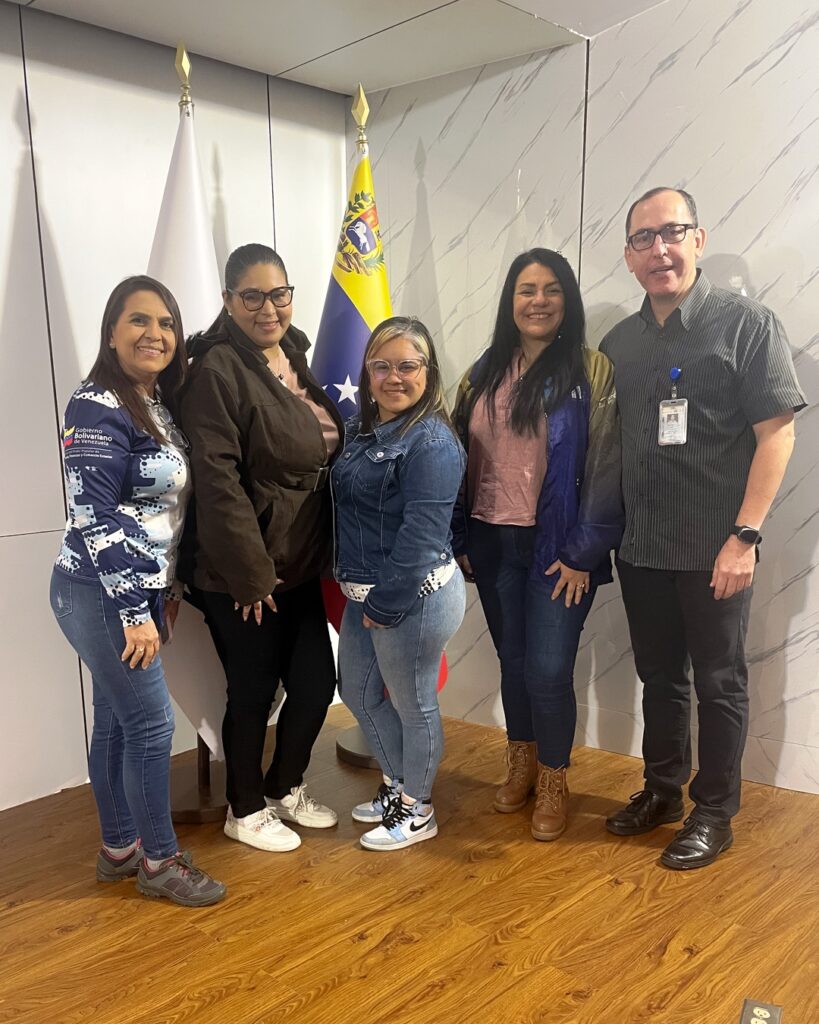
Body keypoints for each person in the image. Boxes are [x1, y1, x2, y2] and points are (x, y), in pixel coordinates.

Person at [600, 187, 806, 869]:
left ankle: (713, 811)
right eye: (643, 238)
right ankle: (662, 791)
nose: (658, 249)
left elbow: (777, 434)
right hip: (641, 548)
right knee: (659, 678)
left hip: (717, 548)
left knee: (719, 682)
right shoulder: (619, 343)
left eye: (671, 232)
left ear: (697, 238)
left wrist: (744, 537)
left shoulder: (747, 325)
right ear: (629, 256)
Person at [49, 275, 226, 907]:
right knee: (150, 725)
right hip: (99, 591)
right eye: (139, 321)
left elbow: (162, 515)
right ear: (111, 332)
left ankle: (120, 848)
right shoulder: (97, 404)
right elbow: (95, 516)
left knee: (119, 723)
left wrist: (163, 591)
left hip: (134, 590)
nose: (156, 334)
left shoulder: (151, 402)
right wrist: (133, 610)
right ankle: (159, 861)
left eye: (167, 323)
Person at [452, 249, 622, 842]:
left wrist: (584, 552)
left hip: (559, 550)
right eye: (527, 289)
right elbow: (455, 456)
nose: (539, 300)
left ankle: (553, 779)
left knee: (549, 672)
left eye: (552, 289)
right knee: (514, 663)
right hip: (492, 542)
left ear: (567, 300)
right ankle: (520, 765)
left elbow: (607, 466)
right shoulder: (482, 371)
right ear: (511, 301)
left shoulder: (591, 371)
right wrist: (460, 536)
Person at [179, 244, 344, 853]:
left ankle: (282, 788)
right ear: (228, 301)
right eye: (252, 296)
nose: (268, 308)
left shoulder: (291, 351)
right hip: (242, 570)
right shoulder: (217, 370)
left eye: (279, 294)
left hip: (298, 561)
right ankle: (244, 808)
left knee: (315, 683)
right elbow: (217, 480)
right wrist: (250, 575)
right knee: (252, 691)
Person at [333, 316, 466, 851]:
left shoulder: (432, 442)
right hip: (366, 593)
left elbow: (421, 537)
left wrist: (385, 605)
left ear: (427, 372)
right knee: (358, 693)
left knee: (414, 704)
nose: (394, 377)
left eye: (407, 366)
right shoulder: (360, 432)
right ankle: (397, 785)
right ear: (366, 373)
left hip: (412, 597)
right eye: (381, 366)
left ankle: (418, 809)